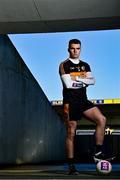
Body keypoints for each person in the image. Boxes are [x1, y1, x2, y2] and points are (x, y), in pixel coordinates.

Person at [59, 39, 108, 175]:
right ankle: (71, 166)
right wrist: (84, 81)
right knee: (71, 134)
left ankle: (98, 153)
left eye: (78, 48)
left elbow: (93, 81)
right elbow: (68, 85)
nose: (75, 51)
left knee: (102, 120)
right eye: (73, 48)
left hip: (83, 101)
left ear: (81, 49)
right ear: (68, 49)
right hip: (70, 103)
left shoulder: (85, 65)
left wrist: (78, 79)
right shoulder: (64, 65)